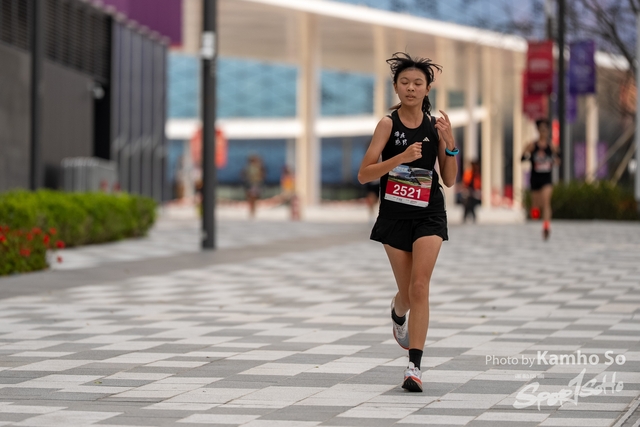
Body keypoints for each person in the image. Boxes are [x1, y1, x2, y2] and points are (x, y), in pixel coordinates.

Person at [357, 52, 458, 392]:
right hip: (395, 216)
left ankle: (414, 367)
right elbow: (364, 174)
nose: (411, 88)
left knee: (420, 286)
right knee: (407, 294)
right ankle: (398, 313)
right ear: (396, 87)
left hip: (429, 212)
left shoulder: (435, 127)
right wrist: (400, 157)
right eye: (405, 83)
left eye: (418, 83)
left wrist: (451, 144)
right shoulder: (387, 125)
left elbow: (450, 179)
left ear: (428, 88)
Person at [521, 118, 560, 240]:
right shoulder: (532, 145)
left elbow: (558, 159)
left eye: (545, 130)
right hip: (535, 179)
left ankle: (546, 227)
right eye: (541, 129)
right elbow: (521, 158)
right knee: (535, 208)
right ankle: (534, 220)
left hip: (546, 179)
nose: (544, 132)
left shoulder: (552, 146)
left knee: (546, 202)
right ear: (538, 130)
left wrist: (555, 160)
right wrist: (527, 155)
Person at [242, 154, 266, 219]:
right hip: (252, 184)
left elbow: (261, 175)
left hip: (254, 184)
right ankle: (252, 211)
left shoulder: (255, 167)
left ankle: (252, 211)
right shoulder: (250, 167)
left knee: (253, 198)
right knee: (252, 198)